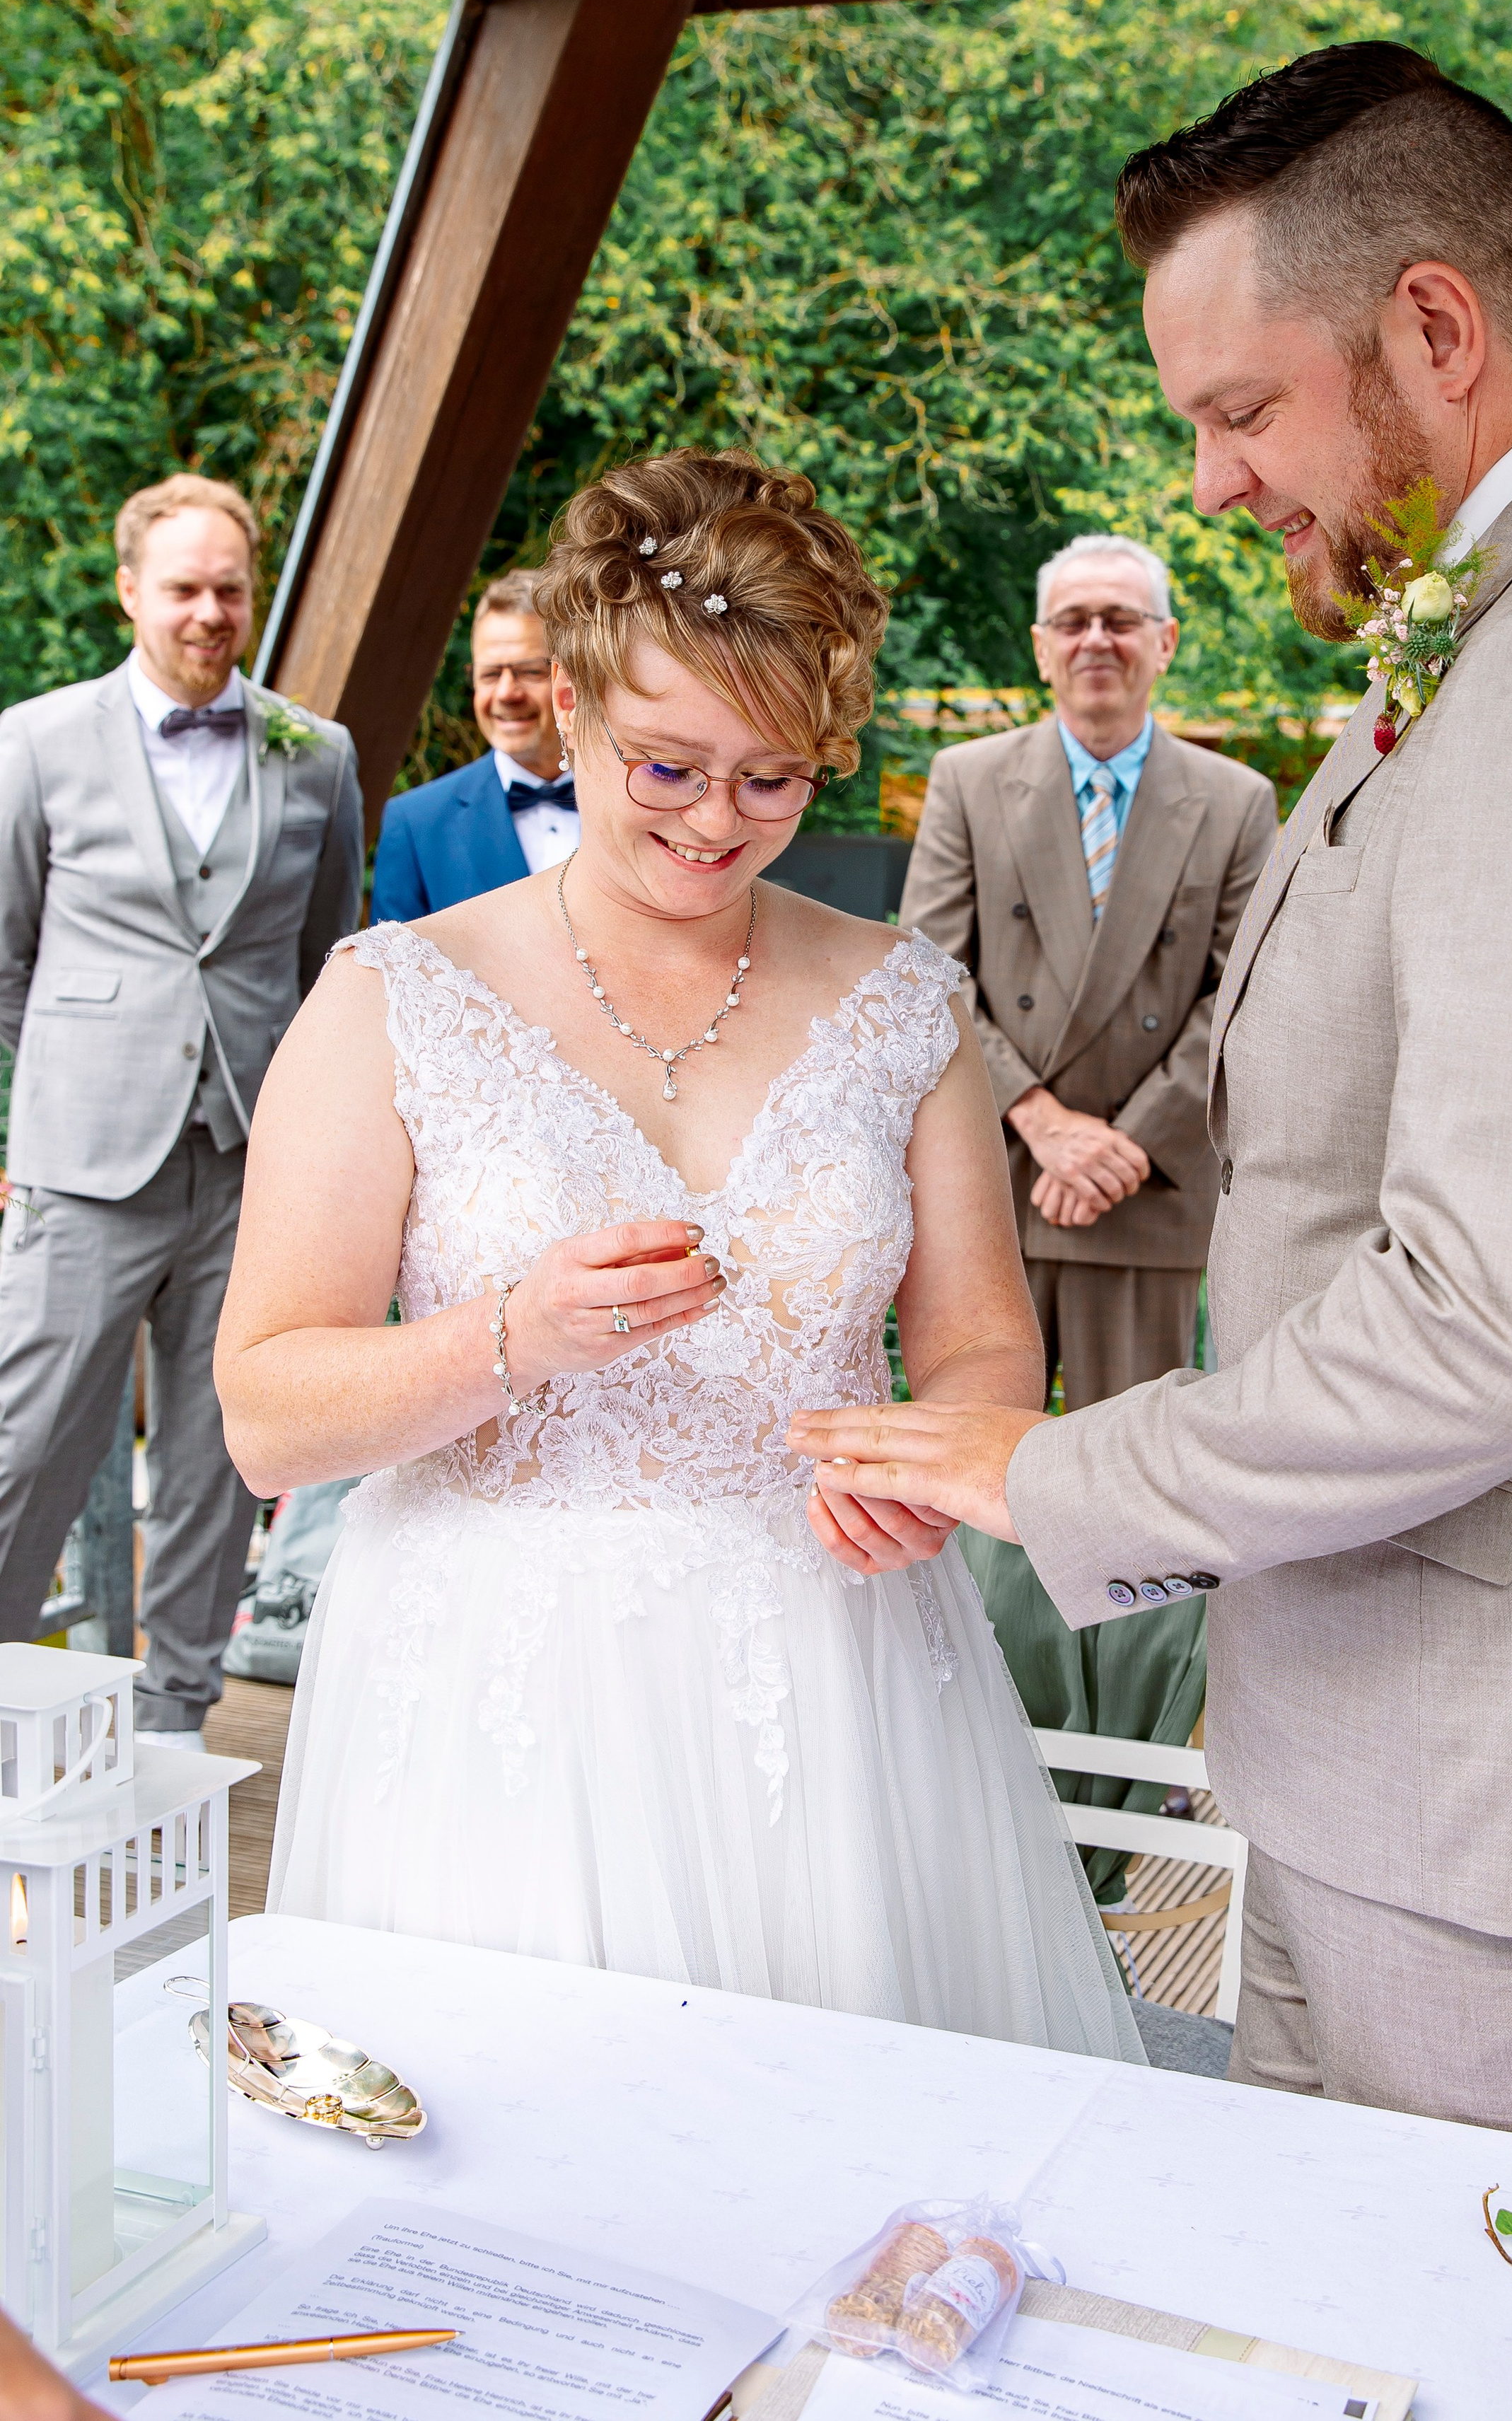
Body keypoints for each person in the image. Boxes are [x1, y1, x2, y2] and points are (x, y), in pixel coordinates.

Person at [790, 40, 1512, 2164]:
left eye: (1239, 409)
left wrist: (1049, 1473)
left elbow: (1488, 1320)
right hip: (1404, 1766)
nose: (1212, 484)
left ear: (1431, 327)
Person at [217, 448, 1141, 2061]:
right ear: (568, 708)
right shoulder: (392, 999)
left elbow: (988, 1341)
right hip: (496, 1689)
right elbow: (266, 1411)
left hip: (836, 1673)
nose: (716, 823)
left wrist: (921, 1468)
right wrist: (507, 1334)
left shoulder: (901, 1001)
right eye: (663, 768)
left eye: (770, 778)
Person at [898, 534, 1274, 1883]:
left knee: (1135, 1502)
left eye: (1123, 619)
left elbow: (1244, 996)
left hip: (1150, 1194)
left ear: (1166, 642)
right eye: (1072, 621)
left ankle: (1128, 1781)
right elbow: (929, 972)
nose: (1097, 642)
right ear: (1040, 643)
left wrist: (1127, 1140)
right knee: (962, 1463)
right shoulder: (966, 781)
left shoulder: (1234, 801)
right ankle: (968, 1739)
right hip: (997, 1180)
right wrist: (1045, 1121)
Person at [0, 473, 361, 1735]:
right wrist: (31, 1123)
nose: (210, 612)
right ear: (129, 592)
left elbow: (334, 966)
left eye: (229, 589)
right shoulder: (34, 741)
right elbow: (5, 959)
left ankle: (173, 1716)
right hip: (84, 1160)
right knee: (27, 1438)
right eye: (184, 588)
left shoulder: (318, 756)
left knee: (220, 1453)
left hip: (253, 1165)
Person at [371, 571, 576, 918]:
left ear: (568, 679)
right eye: (490, 675)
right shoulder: (414, 825)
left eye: (528, 671)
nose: (507, 693)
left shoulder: (636, 797)